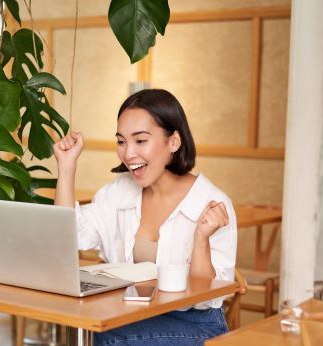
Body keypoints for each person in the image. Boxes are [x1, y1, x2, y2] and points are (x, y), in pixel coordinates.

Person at [52, 89, 238, 345]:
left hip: (195, 323)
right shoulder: (118, 193)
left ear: (173, 141)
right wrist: (66, 166)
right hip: (129, 315)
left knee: (110, 337)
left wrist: (201, 239)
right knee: (95, 329)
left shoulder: (210, 202)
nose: (128, 154)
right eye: (121, 141)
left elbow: (206, 296)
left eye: (140, 141)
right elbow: (68, 237)